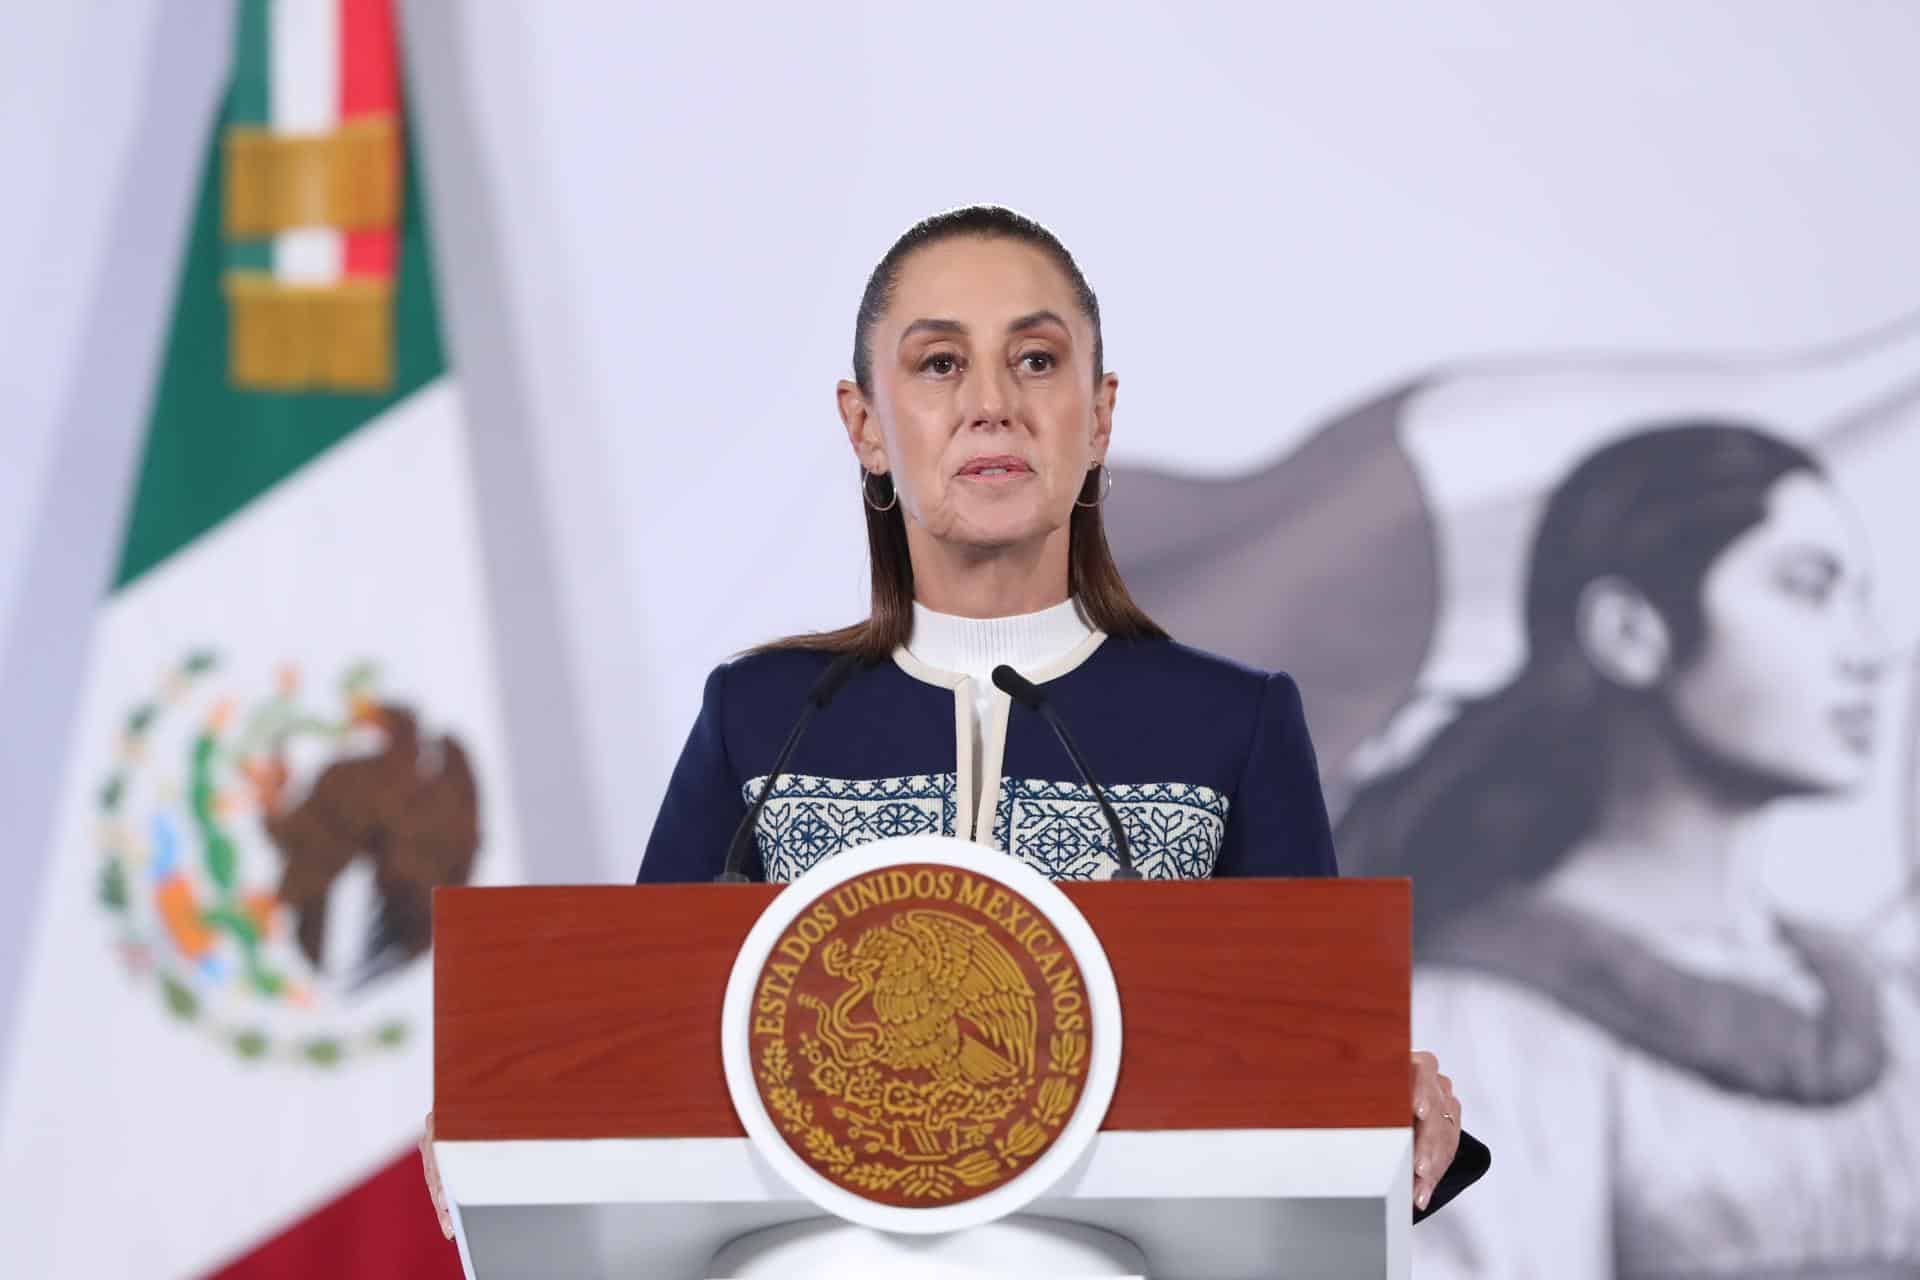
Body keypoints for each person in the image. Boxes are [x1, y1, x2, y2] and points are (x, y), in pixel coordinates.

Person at [632, 205, 1464, 1211]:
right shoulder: (762, 719)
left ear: (1099, 415)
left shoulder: (1231, 725)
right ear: (866, 425)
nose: (992, 403)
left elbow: (1306, 1064)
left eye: (1035, 360)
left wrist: (1382, 1093)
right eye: (939, 364)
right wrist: (503, 1112)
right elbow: (637, 1050)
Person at [1338, 423, 1920, 1276]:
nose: (1868, 653)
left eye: (1860, 599)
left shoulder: (1887, 1007)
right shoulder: (1473, 1029)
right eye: (1806, 588)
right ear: (1630, 631)